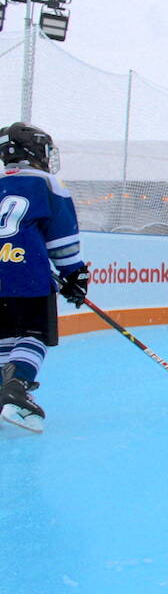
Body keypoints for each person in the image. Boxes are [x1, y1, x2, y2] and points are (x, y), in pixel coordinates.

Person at [0, 123, 89, 433]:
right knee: (33, 333)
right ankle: (16, 387)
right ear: (35, 150)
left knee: (5, 336)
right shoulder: (47, 183)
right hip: (25, 275)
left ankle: (4, 391)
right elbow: (62, 239)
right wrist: (74, 275)